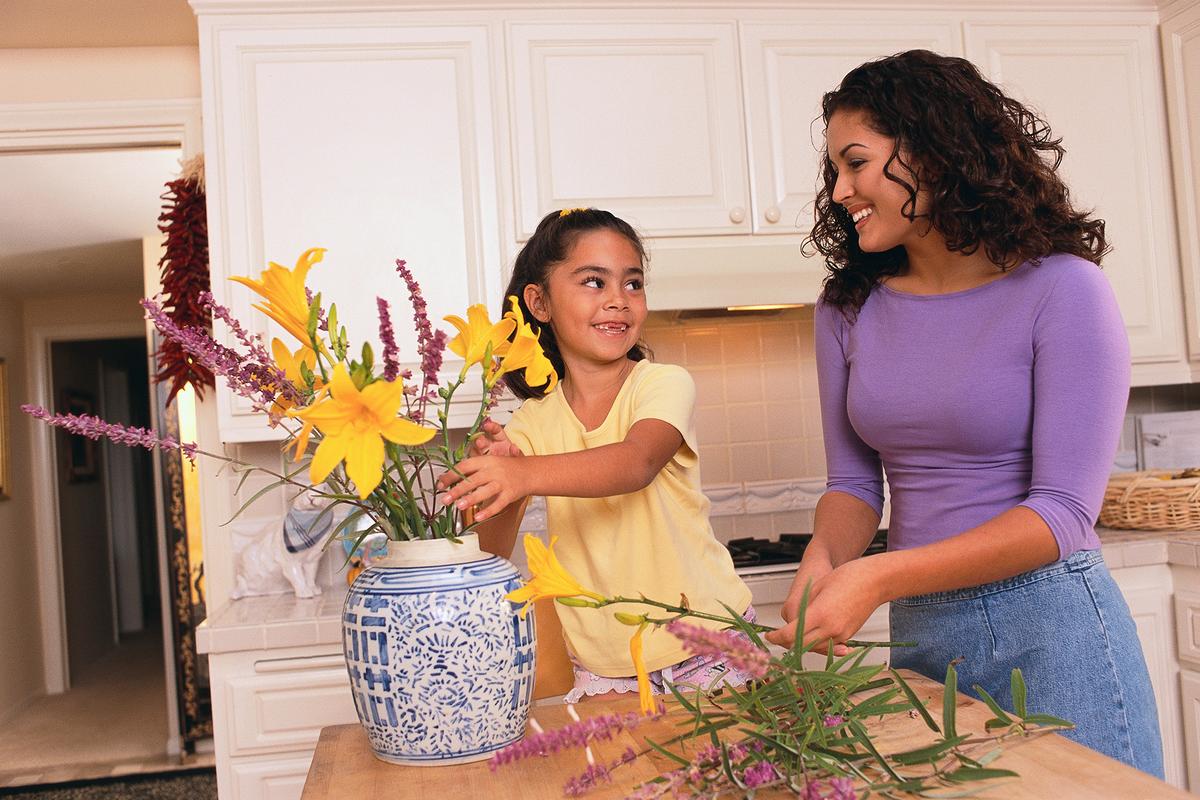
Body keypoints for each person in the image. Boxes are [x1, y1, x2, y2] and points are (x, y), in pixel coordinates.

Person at [763, 49, 1164, 777]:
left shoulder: (1064, 290)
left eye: (856, 162)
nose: (839, 189)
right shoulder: (848, 308)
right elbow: (854, 487)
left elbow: (1064, 513)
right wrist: (825, 563)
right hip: (923, 634)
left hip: (1052, 628)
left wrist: (878, 578)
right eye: (834, 171)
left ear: (934, 152)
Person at [438, 207, 754, 703]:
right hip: (603, 671)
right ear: (539, 303)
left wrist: (522, 473)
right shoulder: (533, 424)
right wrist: (497, 482)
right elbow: (492, 551)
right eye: (593, 281)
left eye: (632, 284)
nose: (618, 301)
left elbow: (636, 463)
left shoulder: (662, 384)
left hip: (711, 652)